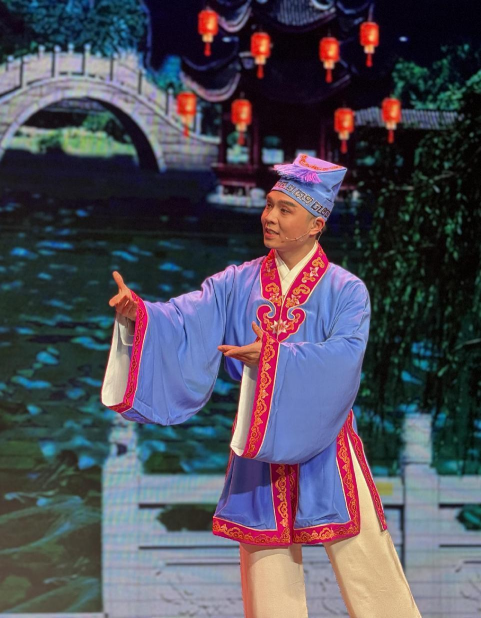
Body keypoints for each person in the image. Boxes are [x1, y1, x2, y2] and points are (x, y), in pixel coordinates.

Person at [101, 154, 420, 617]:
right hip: (257, 439)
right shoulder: (238, 282)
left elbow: (344, 360)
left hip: (327, 445)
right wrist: (142, 314)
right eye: (268, 205)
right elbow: (187, 317)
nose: (269, 216)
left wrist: (274, 359)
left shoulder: (347, 290)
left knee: (371, 577)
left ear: (316, 225)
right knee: (269, 590)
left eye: (285, 209)